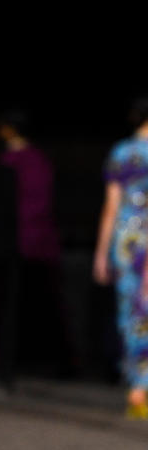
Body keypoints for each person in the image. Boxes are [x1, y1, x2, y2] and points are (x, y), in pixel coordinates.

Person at [0, 108, 72, 384]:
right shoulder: (33, 160)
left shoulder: (23, 162)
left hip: (24, 242)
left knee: (32, 303)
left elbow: (32, 205)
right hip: (28, 241)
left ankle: (35, 364)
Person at [93, 95, 148, 418]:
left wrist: (101, 254)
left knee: (132, 313)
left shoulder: (122, 153)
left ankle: (138, 390)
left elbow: (111, 208)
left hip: (129, 242)